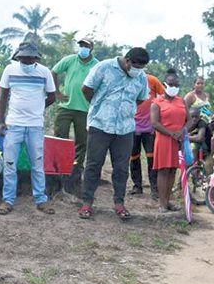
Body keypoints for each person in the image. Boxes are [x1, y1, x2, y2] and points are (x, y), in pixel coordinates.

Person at [78, 47, 150, 220]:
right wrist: (101, 106)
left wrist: (125, 109)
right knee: (94, 164)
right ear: (127, 60)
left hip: (125, 128)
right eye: (135, 66)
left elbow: (141, 98)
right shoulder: (104, 67)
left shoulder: (141, 77)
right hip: (100, 124)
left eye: (141, 67)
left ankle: (119, 203)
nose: (137, 70)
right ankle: (87, 203)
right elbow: (87, 89)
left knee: (121, 167)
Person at [0, 42, 56, 215]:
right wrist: (1, 121)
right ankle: (8, 200)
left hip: (35, 125)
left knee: (37, 164)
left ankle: (41, 199)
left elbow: (52, 96)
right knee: (10, 164)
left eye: (30, 59)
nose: (27, 62)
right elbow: (3, 97)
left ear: (36, 58)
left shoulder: (44, 72)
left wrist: (38, 108)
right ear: (18, 58)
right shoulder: (10, 70)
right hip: (14, 124)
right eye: (23, 59)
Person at [52, 37, 99, 185]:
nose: (83, 48)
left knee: (82, 141)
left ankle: (76, 169)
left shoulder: (97, 65)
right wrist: (56, 93)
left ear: (91, 48)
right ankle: (59, 168)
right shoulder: (70, 60)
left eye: (86, 45)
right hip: (66, 106)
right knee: (60, 136)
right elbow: (53, 71)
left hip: (85, 108)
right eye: (81, 45)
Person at [151, 70, 189, 213]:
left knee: (173, 170)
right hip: (164, 140)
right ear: (164, 85)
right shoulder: (157, 103)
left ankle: (168, 201)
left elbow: (189, 121)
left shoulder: (182, 101)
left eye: (177, 85)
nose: (174, 87)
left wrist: (182, 131)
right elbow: (155, 123)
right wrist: (171, 133)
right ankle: (162, 203)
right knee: (163, 170)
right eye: (171, 84)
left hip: (178, 140)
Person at [130, 73, 165, 198]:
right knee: (133, 157)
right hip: (132, 126)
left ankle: (155, 189)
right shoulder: (129, 78)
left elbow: (164, 95)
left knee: (152, 158)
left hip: (150, 127)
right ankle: (137, 186)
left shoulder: (153, 80)